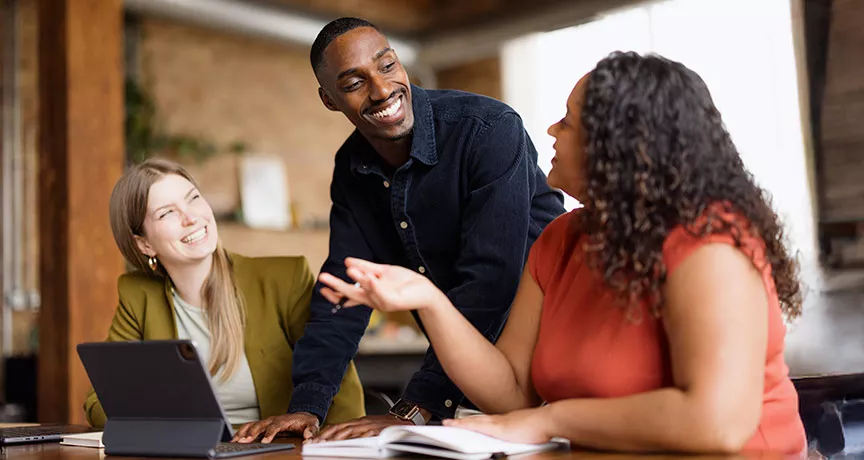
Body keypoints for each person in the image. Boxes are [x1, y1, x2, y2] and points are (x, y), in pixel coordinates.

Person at [315, 51, 807, 455]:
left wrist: (548, 419)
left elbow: (716, 425)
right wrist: (429, 300)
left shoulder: (710, 243)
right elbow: (511, 389)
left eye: (568, 122)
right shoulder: (561, 239)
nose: (551, 131)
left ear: (623, 148)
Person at [234, 17, 565, 442]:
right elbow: (344, 290)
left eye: (387, 65)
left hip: (554, 360)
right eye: (354, 83)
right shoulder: (352, 170)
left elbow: (490, 282)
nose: (381, 89)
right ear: (329, 100)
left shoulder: (487, 130)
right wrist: (306, 406)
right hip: (471, 383)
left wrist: (417, 407)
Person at [84, 159, 364, 441]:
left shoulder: (283, 278)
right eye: (167, 213)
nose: (190, 217)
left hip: (277, 452)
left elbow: (339, 388)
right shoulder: (138, 295)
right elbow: (99, 402)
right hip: (187, 452)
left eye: (193, 198)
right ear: (144, 244)